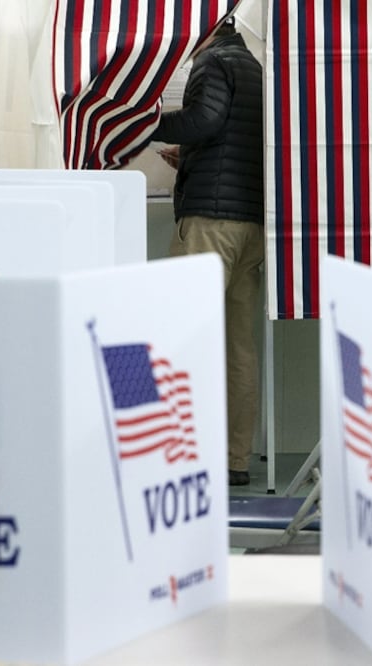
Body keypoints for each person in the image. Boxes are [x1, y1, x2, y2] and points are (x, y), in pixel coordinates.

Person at [151, 16, 264, 487]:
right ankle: (235, 458)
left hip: (210, 222)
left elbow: (204, 120)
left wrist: (146, 123)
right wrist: (192, 156)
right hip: (252, 221)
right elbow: (233, 137)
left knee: (184, 334)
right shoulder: (254, 66)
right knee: (240, 345)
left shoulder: (212, 59)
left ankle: (184, 452)